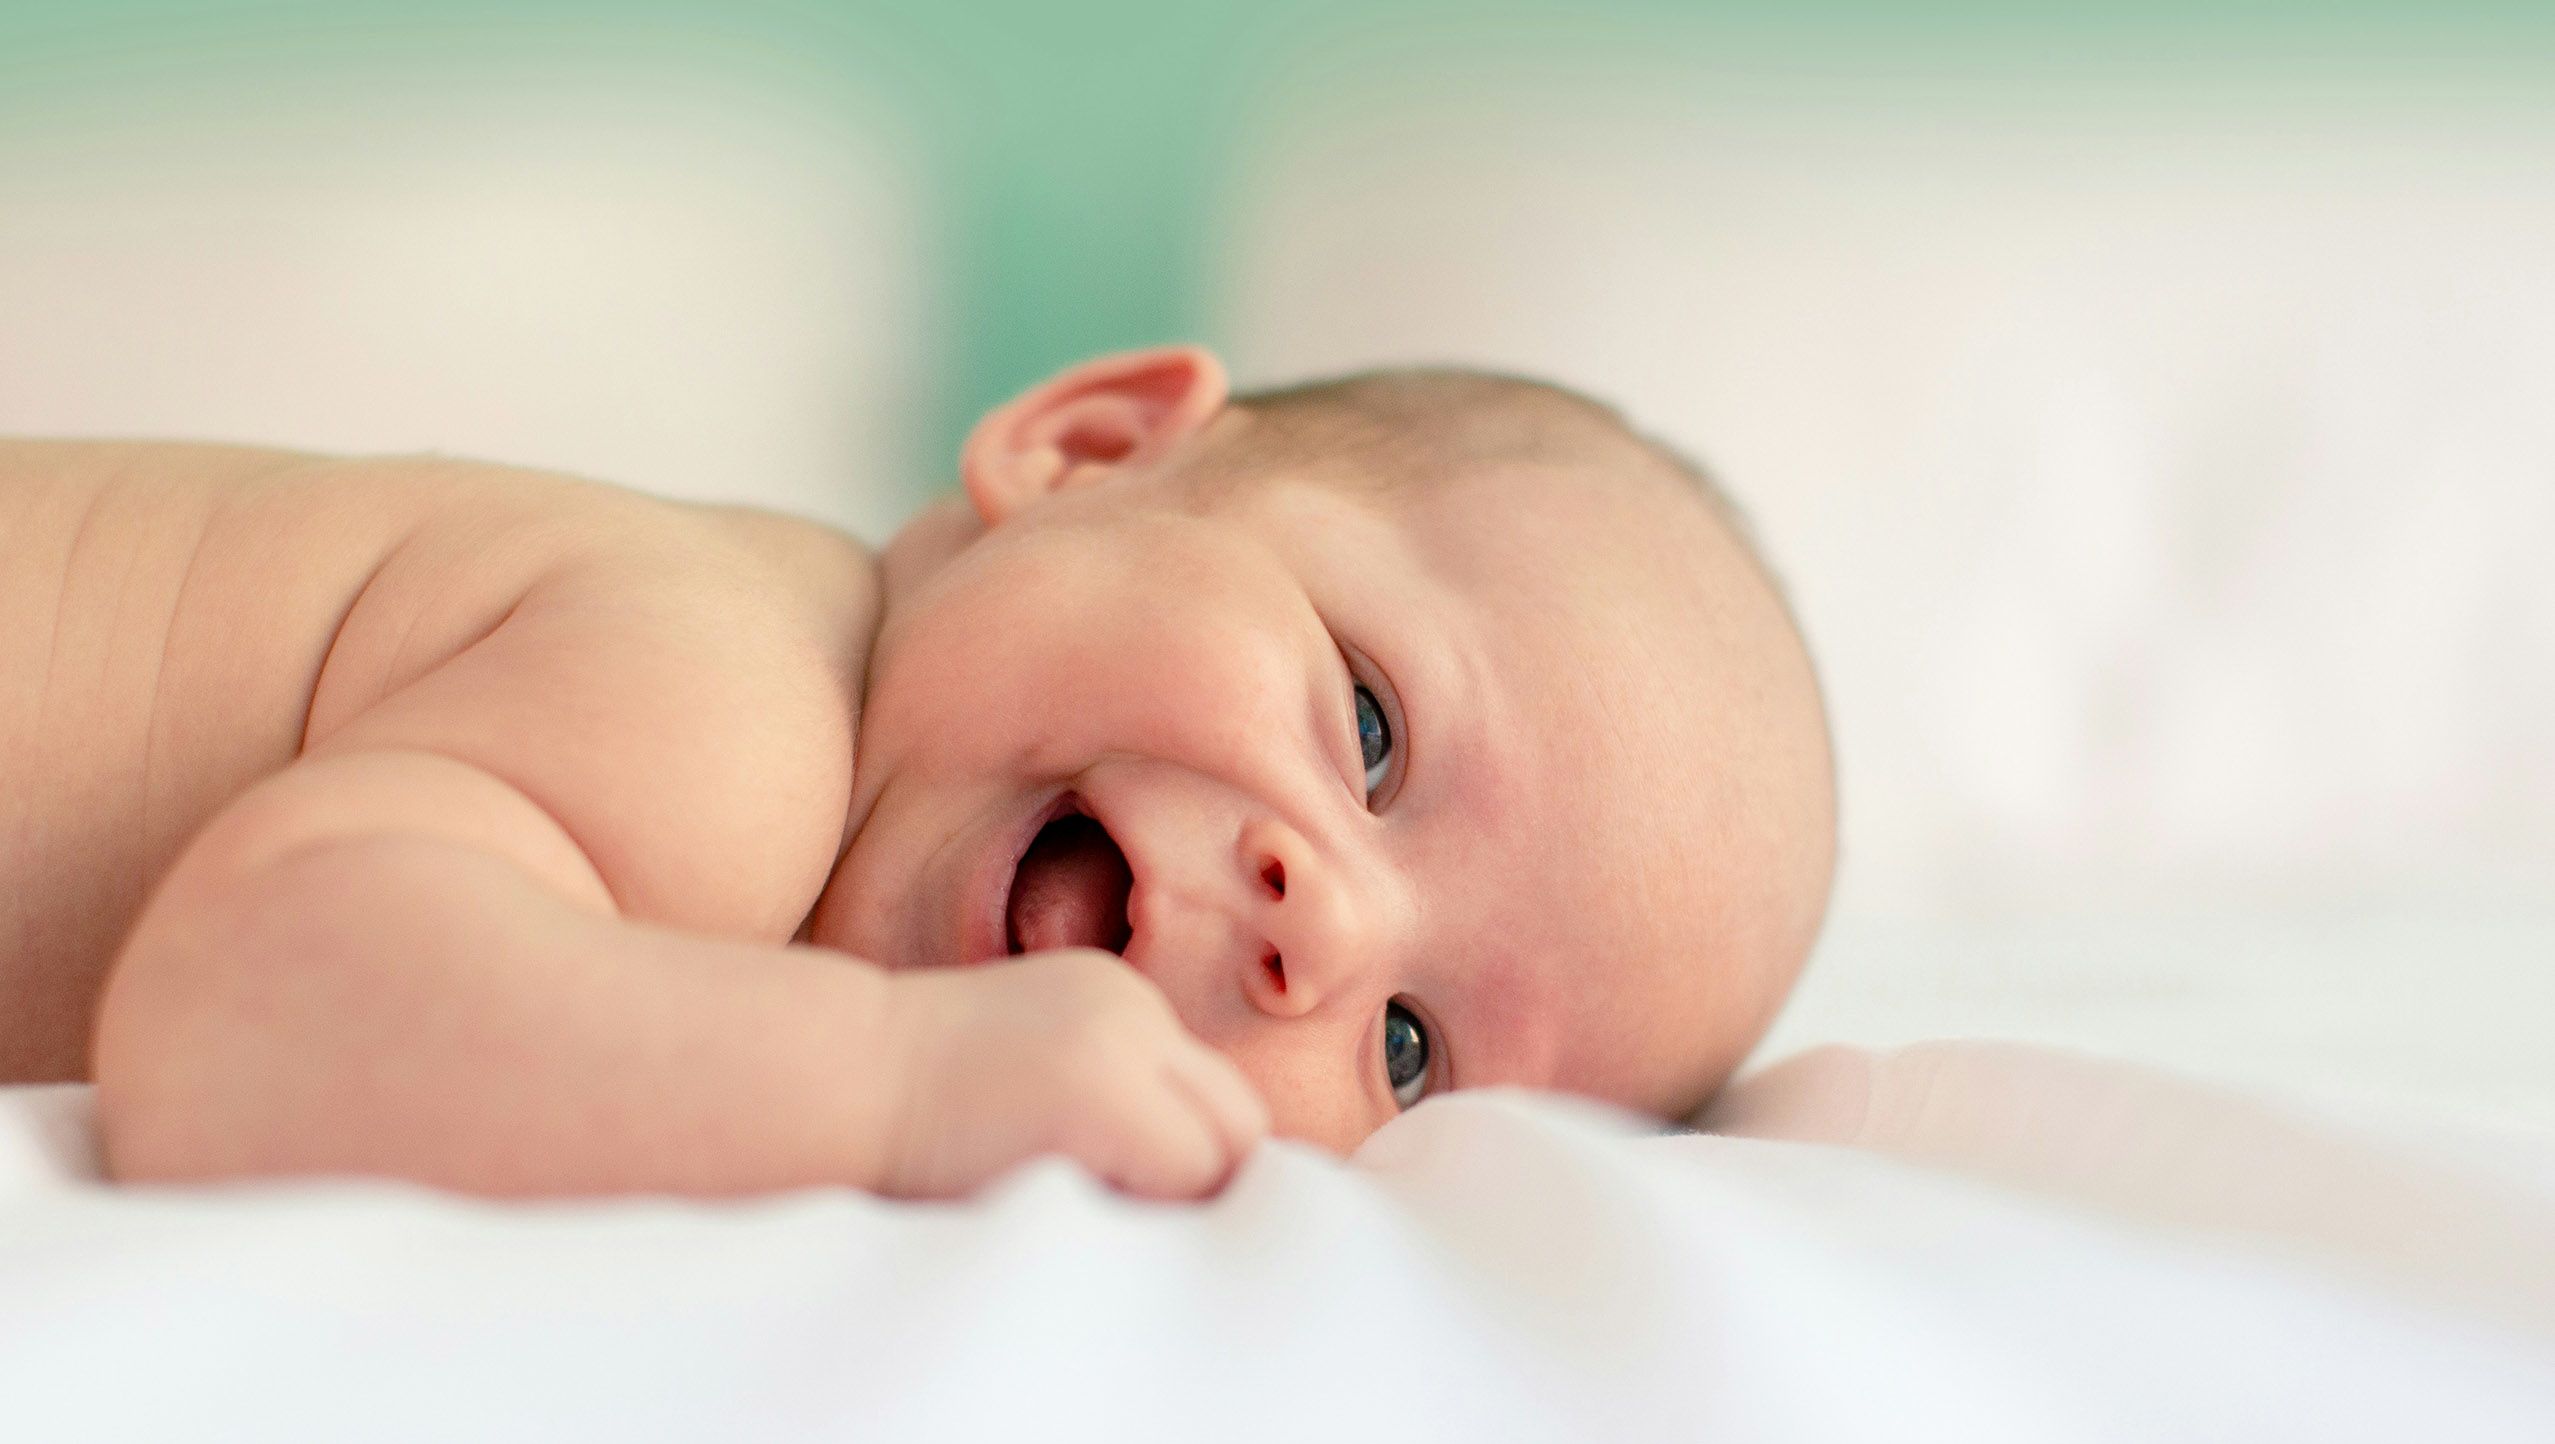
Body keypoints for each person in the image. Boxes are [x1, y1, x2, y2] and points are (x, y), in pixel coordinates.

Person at [0, 345, 1835, 1201]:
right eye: (1367, 726)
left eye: (1411, 1054)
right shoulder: (732, 704)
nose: (1322, 933)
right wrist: (889, 1086)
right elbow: (243, 1023)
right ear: (1087, 448)